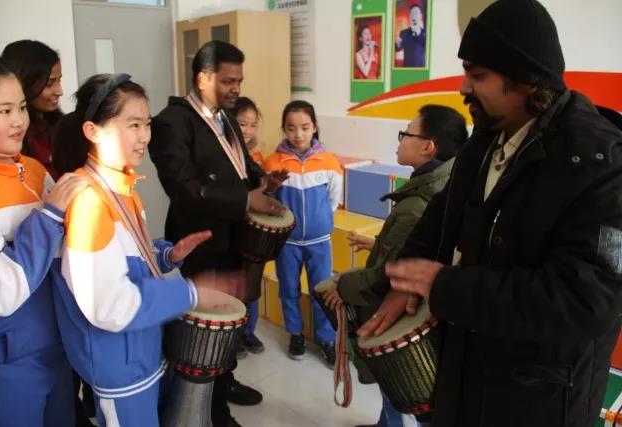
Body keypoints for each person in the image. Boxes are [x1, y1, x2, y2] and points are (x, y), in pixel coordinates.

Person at [359, 1, 622, 426]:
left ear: (526, 79)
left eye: (477, 75)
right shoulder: (485, 139)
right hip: (467, 376)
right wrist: (405, 280)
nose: (463, 87)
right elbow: (441, 218)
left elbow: (584, 301)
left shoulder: (600, 163)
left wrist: (443, 285)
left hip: (539, 401)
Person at [50, 73, 241, 427]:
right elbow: (109, 305)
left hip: (139, 351)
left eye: (147, 124)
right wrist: (191, 292)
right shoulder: (89, 203)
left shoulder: (122, 188)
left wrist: (165, 255)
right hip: (119, 366)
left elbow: (121, 259)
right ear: (93, 131)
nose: (145, 137)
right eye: (133, 125)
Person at [150, 41, 286, 427]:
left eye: (239, 81)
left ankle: (225, 382)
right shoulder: (172, 121)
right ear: (203, 78)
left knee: (232, 322)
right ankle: (211, 409)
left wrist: (262, 181)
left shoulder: (225, 116)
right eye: (228, 81)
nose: (235, 88)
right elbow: (184, 188)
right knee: (208, 327)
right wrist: (245, 200)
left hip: (236, 236)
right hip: (202, 241)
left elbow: (238, 168)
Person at [324, 104, 467, 427]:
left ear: (428, 146)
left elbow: (392, 276)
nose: (400, 140)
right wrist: (379, 245)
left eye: (406, 134)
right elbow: (414, 251)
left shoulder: (418, 203)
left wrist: (342, 285)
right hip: (426, 312)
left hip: (403, 315)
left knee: (400, 386)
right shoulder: (445, 184)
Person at [0, 50, 89, 427]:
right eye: (4, 110)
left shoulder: (32, 169)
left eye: (22, 108)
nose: (19, 121)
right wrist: (49, 217)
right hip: (6, 360)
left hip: (56, 344)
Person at [262, 100, 343, 366]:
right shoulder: (273, 162)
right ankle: (296, 334)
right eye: (291, 128)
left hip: (320, 242)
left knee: (323, 292)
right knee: (288, 290)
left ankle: (326, 339)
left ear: (315, 127)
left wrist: (320, 220)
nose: (298, 134)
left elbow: (333, 200)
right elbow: (268, 198)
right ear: (284, 129)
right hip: (288, 242)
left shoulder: (329, 162)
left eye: (305, 127)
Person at [229, 96, 267, 356]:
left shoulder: (257, 156)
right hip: (231, 229)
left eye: (253, 125)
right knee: (233, 284)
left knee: (251, 285)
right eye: (242, 123)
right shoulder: (223, 155)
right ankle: (233, 335)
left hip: (253, 233)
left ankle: (248, 333)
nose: (248, 130)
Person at [2, 40, 64, 180]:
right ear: (24, 83)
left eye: (59, 80)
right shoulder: (12, 136)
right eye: (49, 84)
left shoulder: (59, 125)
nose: (60, 91)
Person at [395, 3, 427, 68]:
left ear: (421, 16)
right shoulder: (404, 32)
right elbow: (397, 49)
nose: (414, 15)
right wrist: (397, 43)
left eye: (416, 13)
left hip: (421, 69)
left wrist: (418, 33)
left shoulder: (425, 32)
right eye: (412, 13)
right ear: (410, 16)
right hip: (408, 69)